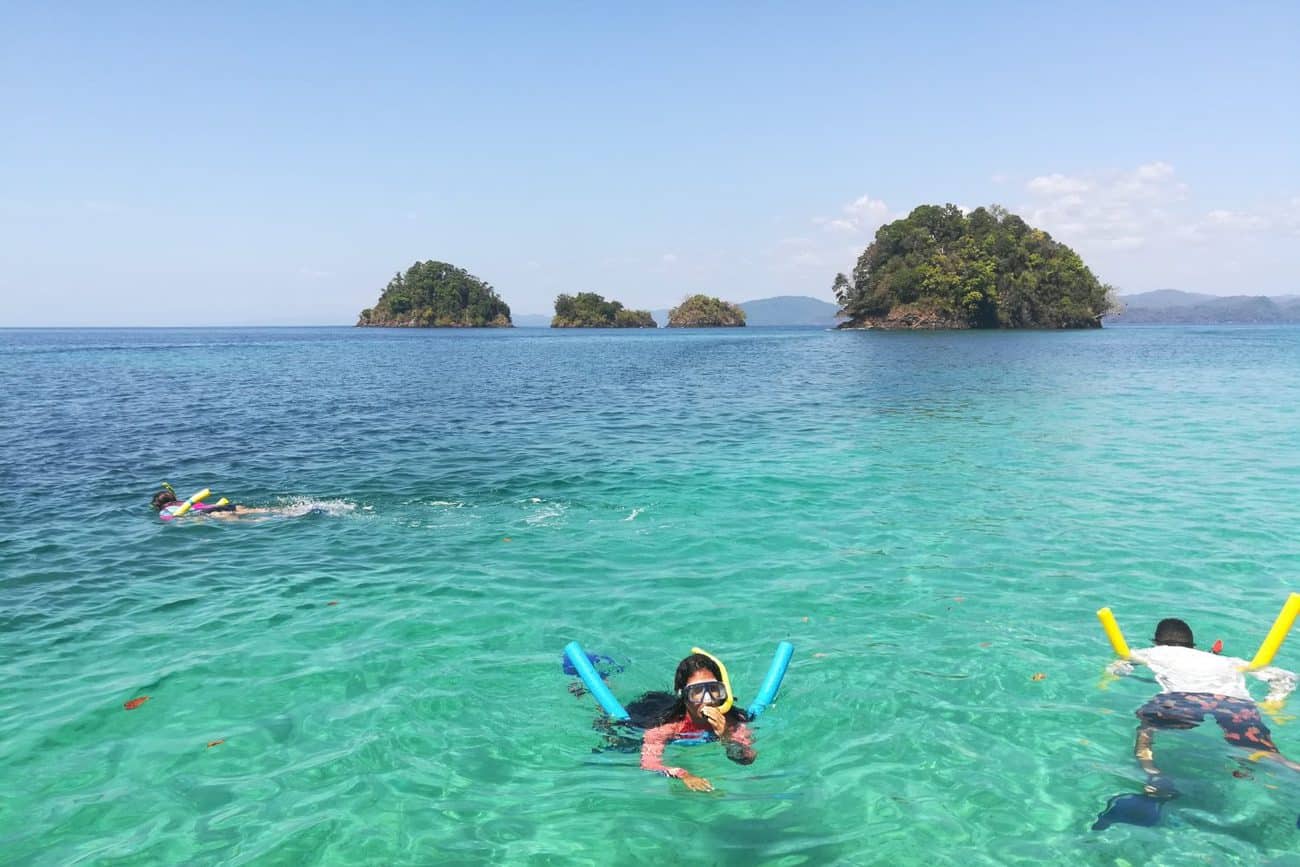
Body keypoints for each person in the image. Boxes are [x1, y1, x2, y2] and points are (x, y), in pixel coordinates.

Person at [1095, 617, 1300, 829]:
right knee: (1264, 752)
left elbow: (1118, 668)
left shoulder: (1154, 652)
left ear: (1158, 642)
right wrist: (1274, 701)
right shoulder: (1230, 661)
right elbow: (1284, 677)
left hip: (1185, 699)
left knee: (1146, 731)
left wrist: (1111, 677)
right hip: (1234, 704)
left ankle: (1155, 779)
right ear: (1193, 645)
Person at [632, 653, 756, 792]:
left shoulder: (733, 722)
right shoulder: (666, 727)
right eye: (697, 692)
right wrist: (684, 775)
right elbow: (649, 764)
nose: (708, 699)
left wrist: (726, 737)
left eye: (714, 689)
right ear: (683, 696)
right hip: (644, 711)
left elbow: (748, 759)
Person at [151, 484, 273, 521]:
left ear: (158, 505)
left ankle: (261, 520)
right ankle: (288, 511)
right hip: (219, 505)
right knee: (254, 510)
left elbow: (171, 518)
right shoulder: (182, 503)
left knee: (245, 520)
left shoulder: (165, 511)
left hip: (206, 512)